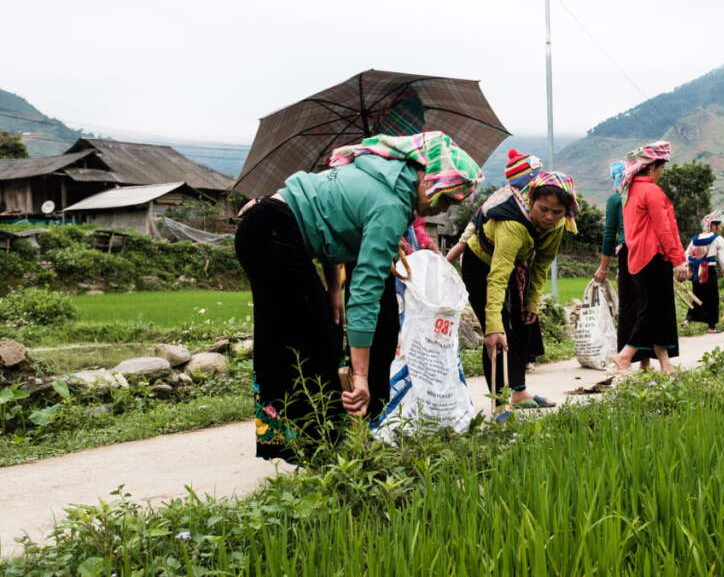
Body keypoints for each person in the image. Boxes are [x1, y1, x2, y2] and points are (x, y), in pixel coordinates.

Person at [234, 132, 482, 461]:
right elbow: (365, 291)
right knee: (307, 339)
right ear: (427, 177)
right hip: (271, 232)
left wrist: (333, 289)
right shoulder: (391, 201)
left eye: (452, 203)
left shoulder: (387, 179)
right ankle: (309, 446)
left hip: (272, 227)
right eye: (445, 198)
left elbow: (330, 222)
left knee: (323, 332)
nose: (442, 207)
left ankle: (320, 440)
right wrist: (360, 376)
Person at [460, 171, 578, 409]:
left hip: (515, 264)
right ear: (532, 200)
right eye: (543, 209)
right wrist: (492, 324)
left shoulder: (556, 226)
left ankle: (519, 392)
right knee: (497, 331)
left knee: (526, 321)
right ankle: (500, 402)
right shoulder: (513, 224)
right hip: (480, 264)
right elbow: (497, 276)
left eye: (557, 212)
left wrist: (531, 304)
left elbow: (542, 265)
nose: (549, 217)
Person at [609, 142, 688, 374]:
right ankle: (625, 356)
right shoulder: (652, 191)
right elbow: (665, 229)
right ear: (653, 166)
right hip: (654, 256)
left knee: (656, 309)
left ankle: (665, 364)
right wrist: (678, 259)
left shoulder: (629, 191)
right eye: (661, 167)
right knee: (652, 311)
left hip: (637, 257)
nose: (661, 172)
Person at [593, 161, 652, 368]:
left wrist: (603, 267)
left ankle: (624, 358)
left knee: (629, 307)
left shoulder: (616, 198)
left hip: (628, 255)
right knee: (645, 305)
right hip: (647, 254)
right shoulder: (642, 194)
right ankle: (645, 361)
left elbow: (609, 234)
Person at [446, 148, 542, 264]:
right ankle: (445, 264)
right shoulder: (508, 195)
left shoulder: (524, 194)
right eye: (536, 176)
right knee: (462, 243)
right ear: (527, 178)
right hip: (480, 220)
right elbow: (487, 209)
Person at [685, 210, 724, 332]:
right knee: (712, 298)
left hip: (696, 270)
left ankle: (688, 318)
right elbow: (723, 260)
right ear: (713, 226)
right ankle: (711, 327)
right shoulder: (718, 239)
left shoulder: (695, 239)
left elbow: (686, 254)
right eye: (719, 225)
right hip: (709, 270)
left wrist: (686, 268)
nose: (721, 227)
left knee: (697, 295)